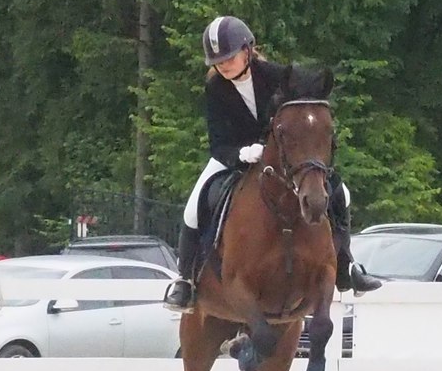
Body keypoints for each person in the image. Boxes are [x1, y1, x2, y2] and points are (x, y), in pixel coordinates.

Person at [163, 15, 382, 311]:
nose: (223, 65)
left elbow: (304, 106)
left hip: (283, 157)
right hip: (236, 157)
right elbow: (218, 141)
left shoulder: (276, 76)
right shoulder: (215, 88)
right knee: (193, 205)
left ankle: (346, 265)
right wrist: (241, 154)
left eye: (229, 57)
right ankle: (185, 280)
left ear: (247, 50)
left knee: (341, 194)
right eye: (218, 61)